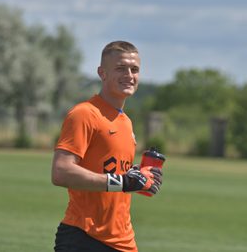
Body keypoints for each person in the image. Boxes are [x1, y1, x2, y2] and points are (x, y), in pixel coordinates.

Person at [51, 41, 163, 252]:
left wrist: (136, 177)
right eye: (120, 68)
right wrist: (121, 181)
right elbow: (60, 172)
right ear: (102, 73)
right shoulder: (84, 114)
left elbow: (112, 172)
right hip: (84, 237)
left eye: (134, 69)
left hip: (123, 241)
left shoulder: (126, 122)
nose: (129, 75)